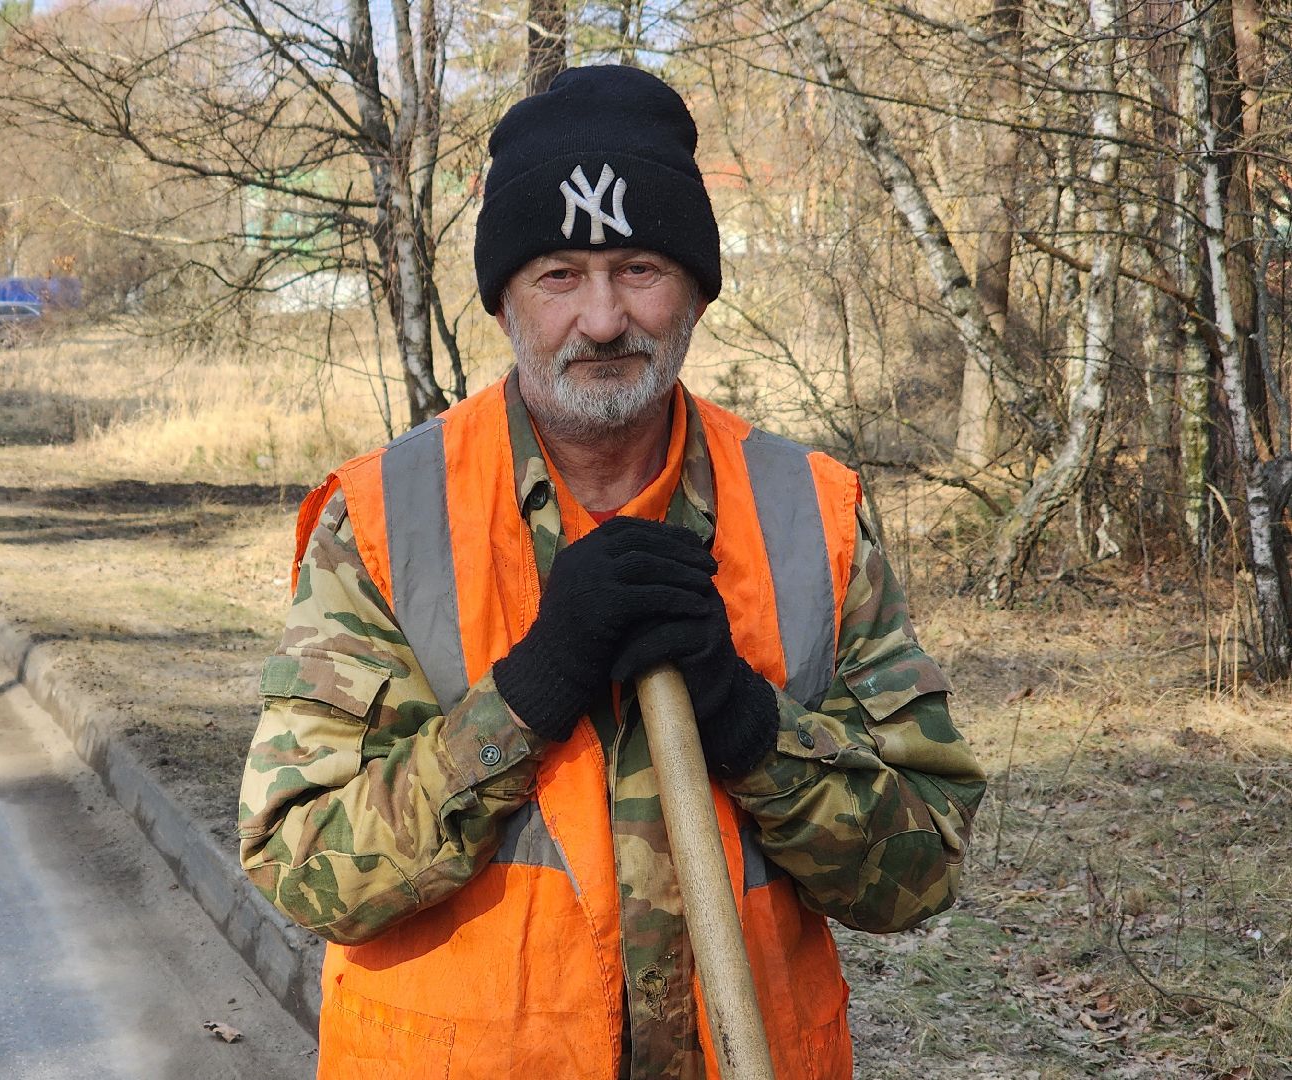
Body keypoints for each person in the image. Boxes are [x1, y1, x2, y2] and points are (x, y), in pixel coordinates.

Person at [238, 65, 986, 1080]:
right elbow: (302, 870)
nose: (599, 320)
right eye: (558, 274)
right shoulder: (382, 519)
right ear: (502, 299)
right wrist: (526, 693)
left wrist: (752, 725)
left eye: (638, 268)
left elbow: (918, 874)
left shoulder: (812, 514)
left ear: (695, 293)